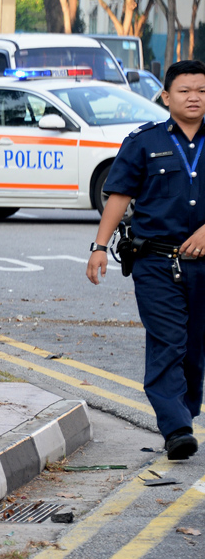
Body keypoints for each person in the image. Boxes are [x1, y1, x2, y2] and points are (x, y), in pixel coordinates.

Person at [87, 59, 205, 460]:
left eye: (202, 91)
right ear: (166, 96)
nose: (194, 98)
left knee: (194, 349)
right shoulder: (142, 141)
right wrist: (99, 247)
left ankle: (182, 413)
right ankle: (176, 428)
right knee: (167, 342)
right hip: (156, 263)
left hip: (204, 265)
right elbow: (118, 196)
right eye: (186, 91)